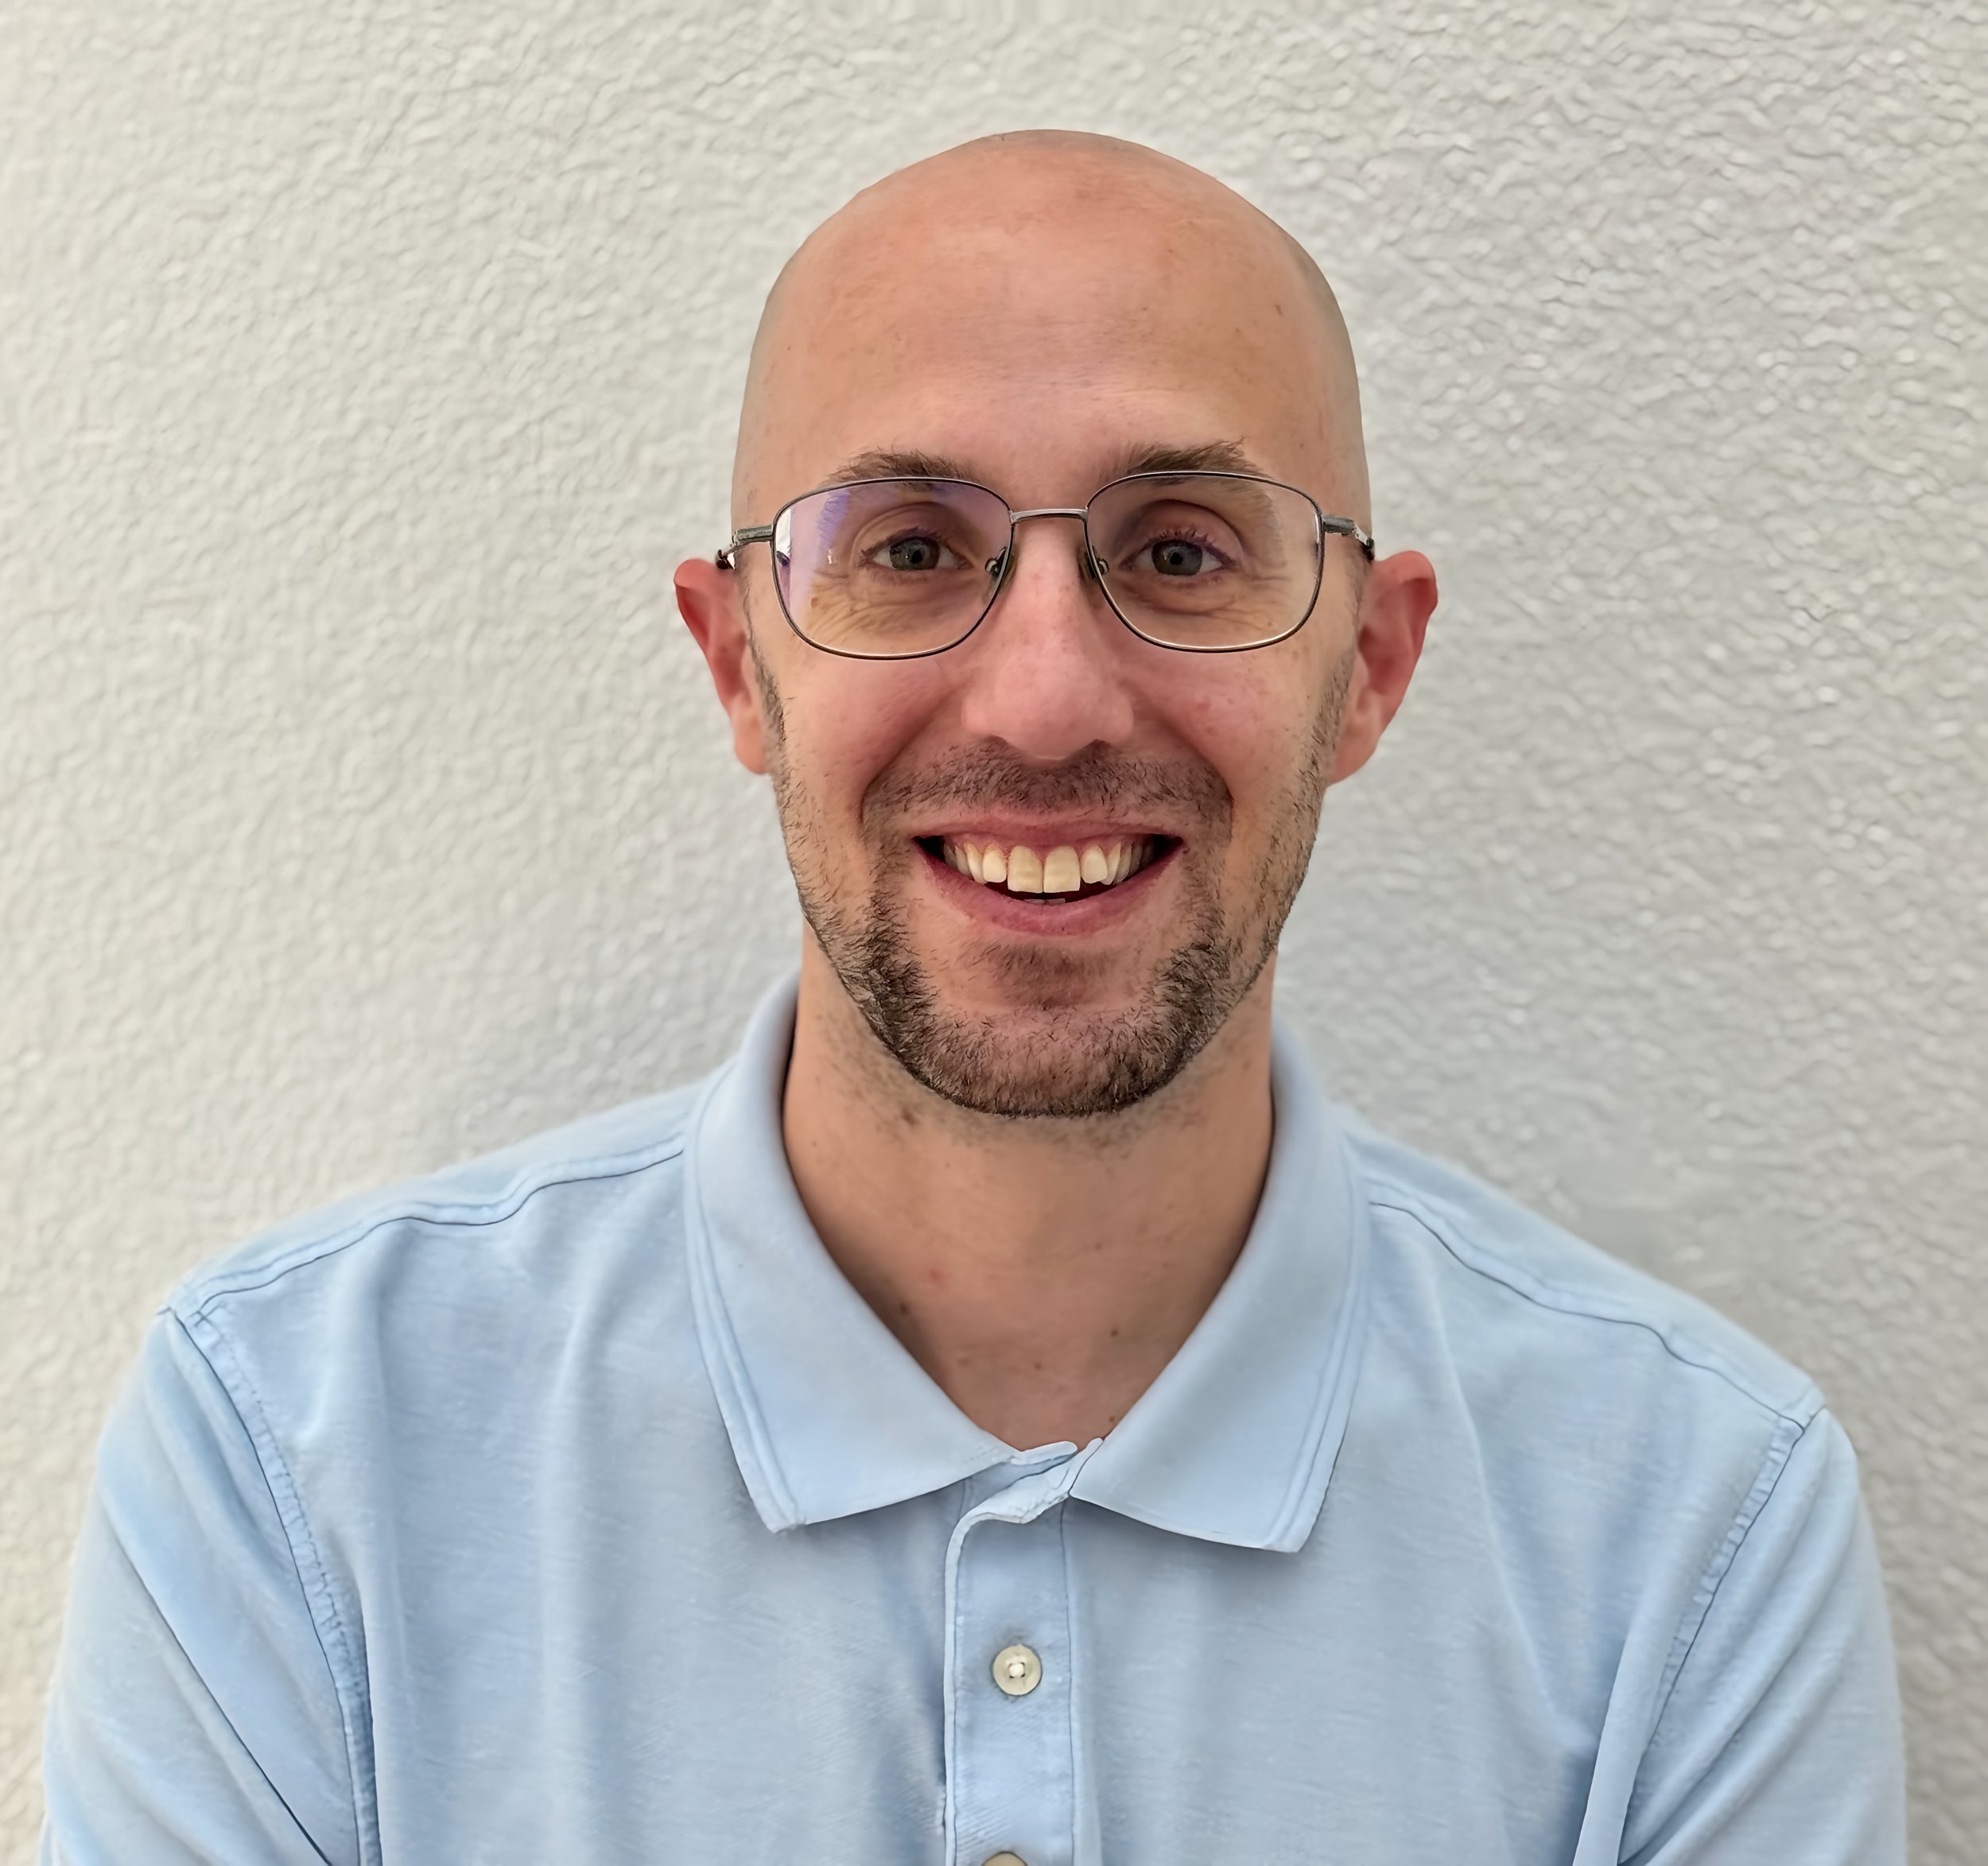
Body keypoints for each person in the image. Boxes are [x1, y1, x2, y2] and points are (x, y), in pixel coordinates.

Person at [41, 132, 1904, 1864]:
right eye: (910, 550)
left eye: (1179, 550)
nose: (1042, 700)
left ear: (1367, 666)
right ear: (739, 661)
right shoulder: (298, 1458)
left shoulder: (1689, 1527)